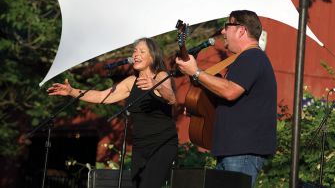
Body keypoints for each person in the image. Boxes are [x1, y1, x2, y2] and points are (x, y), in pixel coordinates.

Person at [47, 38, 178, 188]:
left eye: (142, 51)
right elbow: (103, 96)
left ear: (152, 57)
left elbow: (172, 98)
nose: (136, 54)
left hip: (162, 143)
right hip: (141, 145)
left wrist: (156, 85)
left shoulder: (160, 76)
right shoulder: (131, 82)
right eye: (135, 51)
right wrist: (72, 91)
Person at [175, 10, 277, 187]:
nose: (223, 32)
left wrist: (196, 72)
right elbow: (233, 100)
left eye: (227, 26)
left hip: (242, 151)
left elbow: (230, 91)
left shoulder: (252, 57)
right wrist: (200, 106)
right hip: (234, 150)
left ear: (241, 30)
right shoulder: (246, 59)